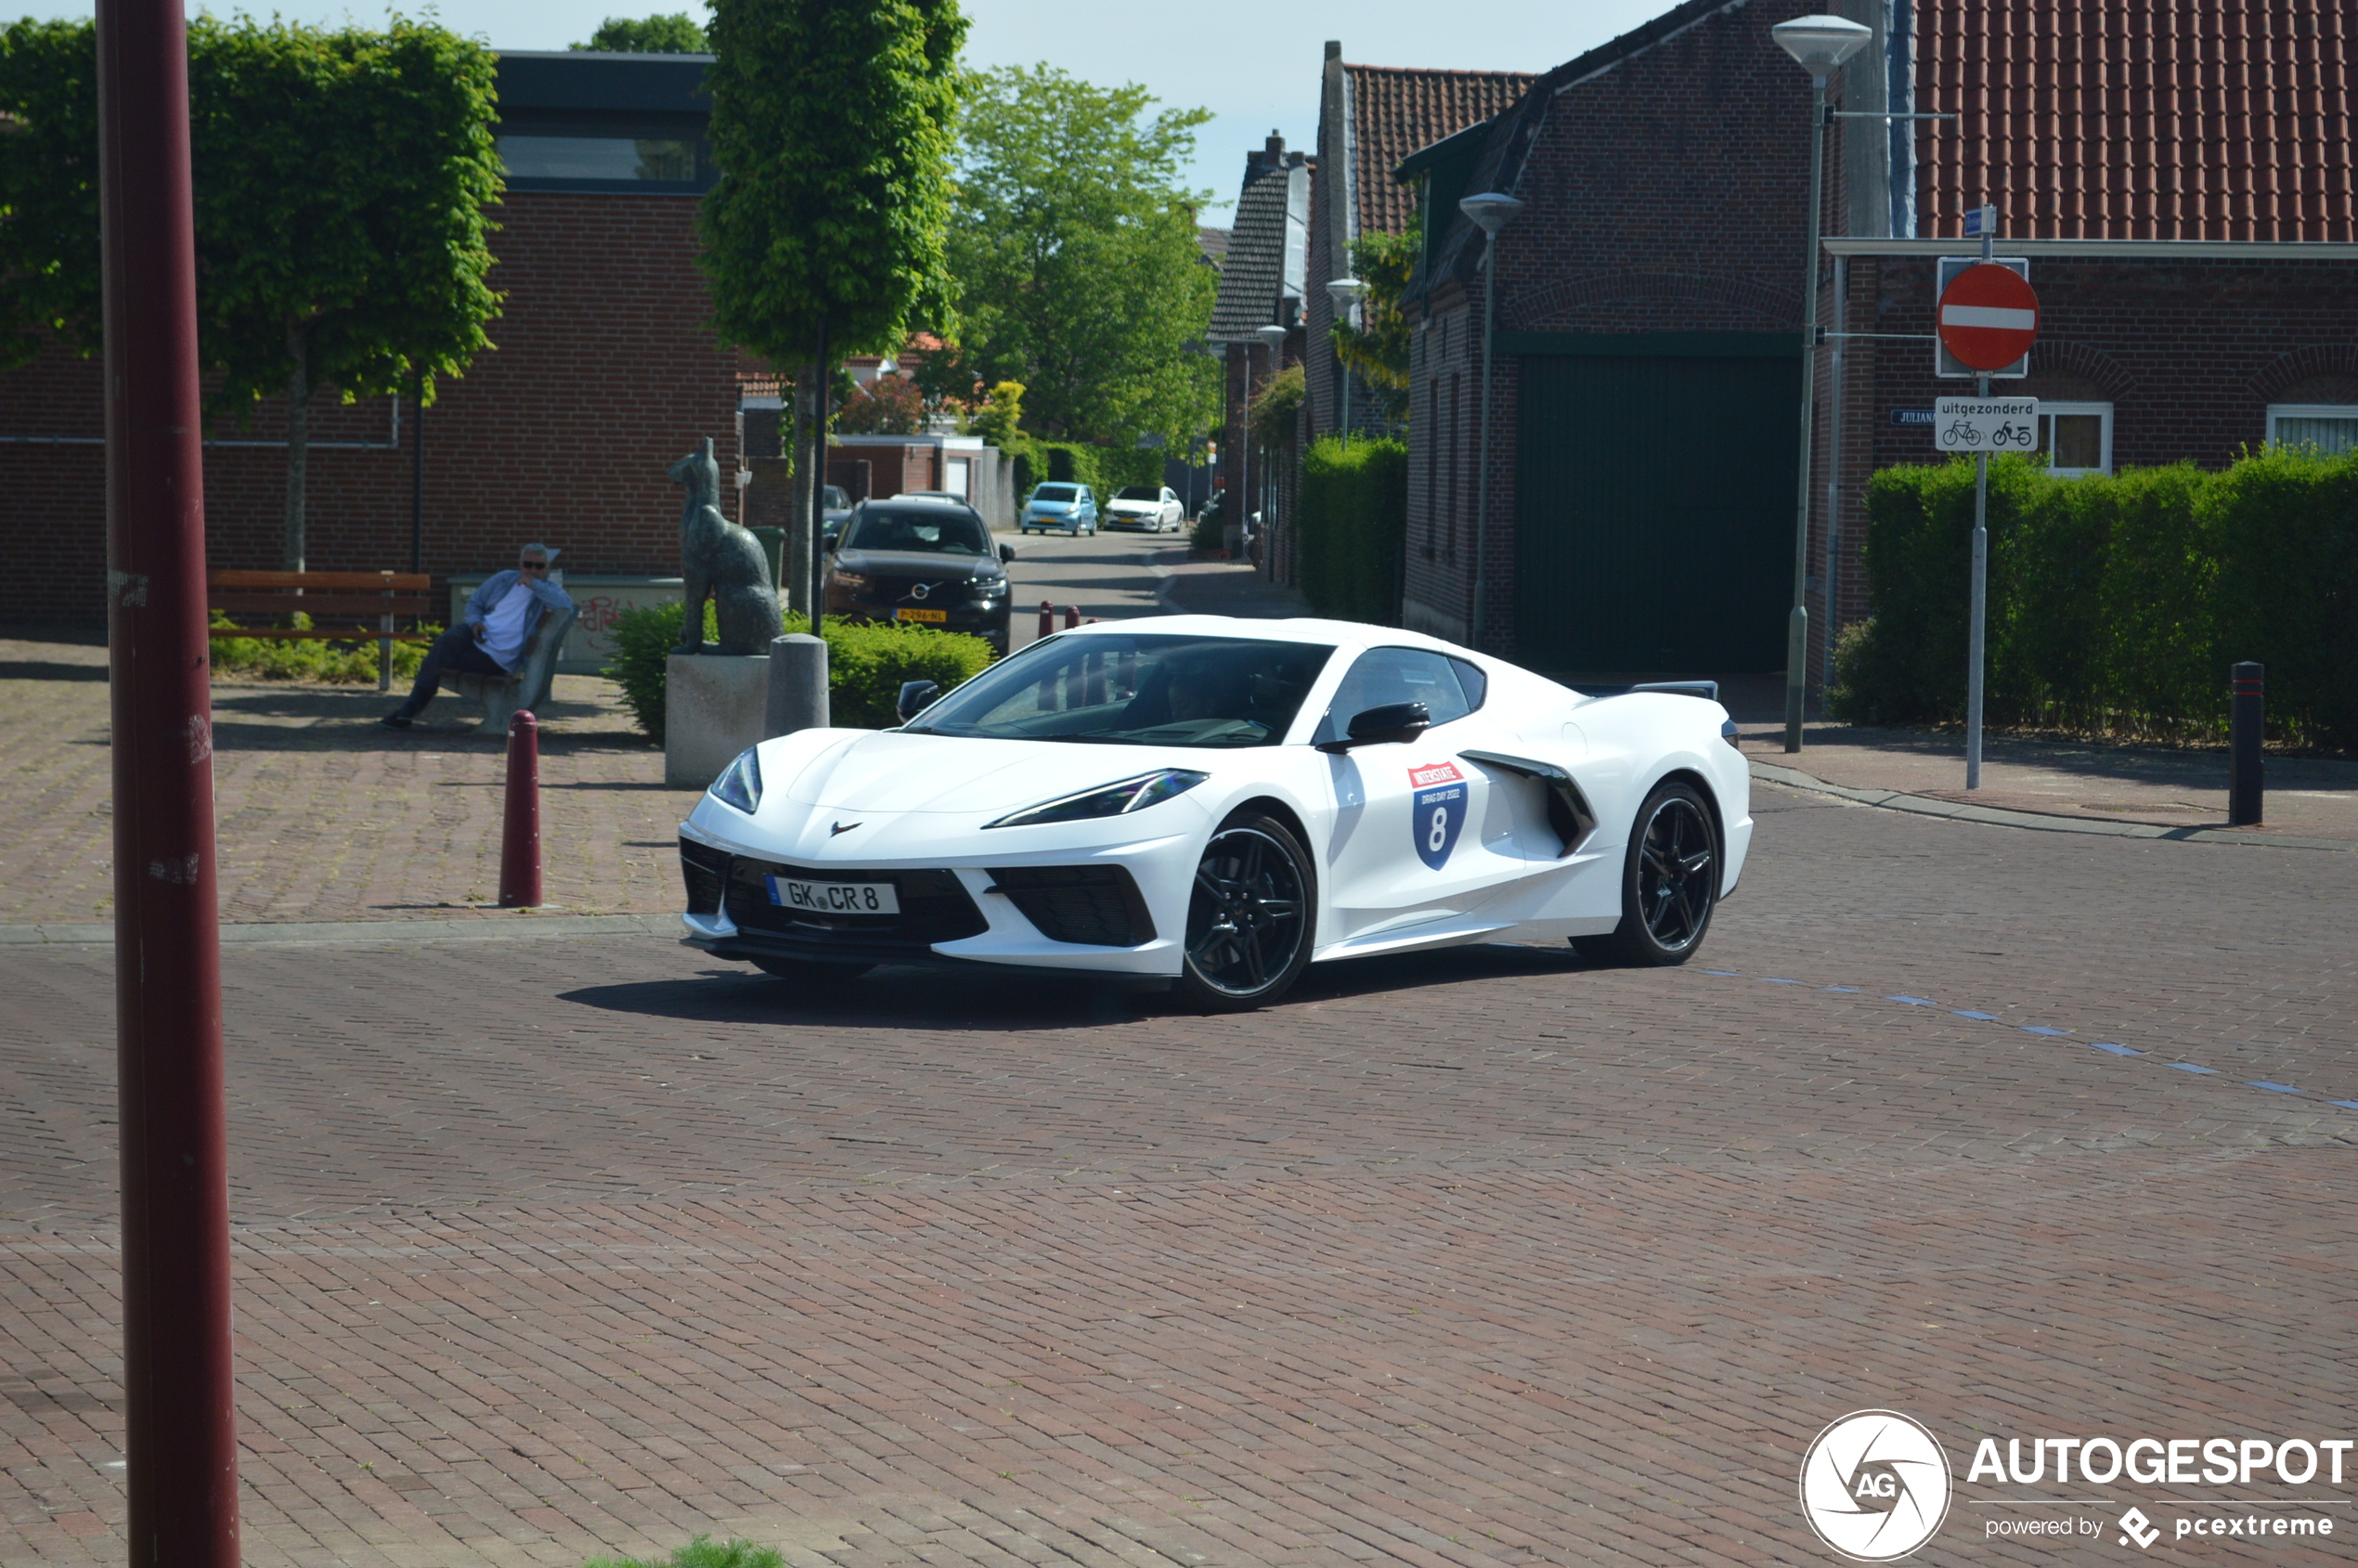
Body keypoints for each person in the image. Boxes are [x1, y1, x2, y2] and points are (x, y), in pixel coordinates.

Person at [381, 544, 575, 728]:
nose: (532, 570)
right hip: (477, 635)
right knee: (447, 640)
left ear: (547, 567)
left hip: (497, 657)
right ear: (520, 564)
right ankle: (409, 709)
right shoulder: (505, 579)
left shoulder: (548, 591)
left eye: (539, 566)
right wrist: (475, 623)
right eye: (527, 565)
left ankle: (409, 709)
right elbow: (475, 603)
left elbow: (565, 605)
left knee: (438, 660)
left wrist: (534, 585)